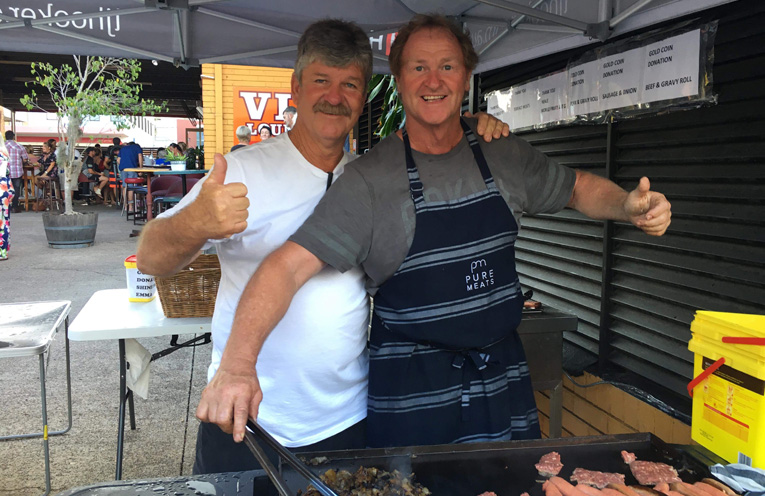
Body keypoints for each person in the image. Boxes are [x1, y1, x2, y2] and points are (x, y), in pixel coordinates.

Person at [195, 14, 673, 450]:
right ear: (398, 81)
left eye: (446, 66)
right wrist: (238, 365)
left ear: (465, 78)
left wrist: (627, 206)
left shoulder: (502, 152)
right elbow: (286, 266)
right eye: (418, 67)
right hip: (412, 395)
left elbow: (576, 188)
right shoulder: (369, 180)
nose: (433, 80)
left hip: (500, 377)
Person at [136, 18, 510, 474]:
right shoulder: (241, 171)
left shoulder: (376, 178)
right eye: (321, 81)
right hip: (246, 413)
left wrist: (470, 127)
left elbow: (438, 145)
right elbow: (153, 259)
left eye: (349, 83)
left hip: (346, 421)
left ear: (364, 95)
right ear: (296, 87)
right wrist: (194, 223)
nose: (334, 96)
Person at [4, 131, 28, 214]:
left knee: (5, 189)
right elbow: (25, 159)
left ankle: (5, 207)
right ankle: (14, 207)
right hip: (17, 171)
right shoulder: (19, 146)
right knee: (16, 189)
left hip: (4, 171)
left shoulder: (2, 146)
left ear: (5, 137)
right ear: (13, 137)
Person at [118, 140, 143, 210]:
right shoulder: (137, 147)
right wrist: (140, 168)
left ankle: (125, 206)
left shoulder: (123, 148)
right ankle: (131, 206)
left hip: (123, 169)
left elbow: (118, 160)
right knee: (131, 187)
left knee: (124, 186)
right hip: (132, 168)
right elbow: (140, 156)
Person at [0, 141, 14, 260]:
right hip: (5, 187)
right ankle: (3, 251)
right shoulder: (4, 154)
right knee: (4, 221)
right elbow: (6, 173)